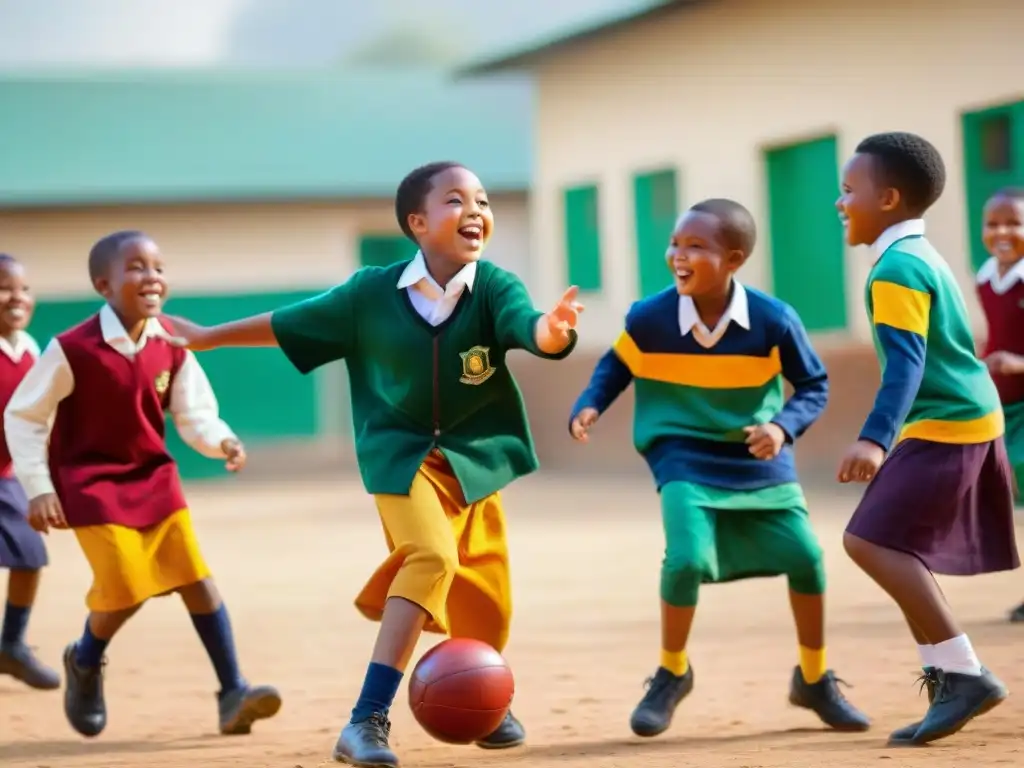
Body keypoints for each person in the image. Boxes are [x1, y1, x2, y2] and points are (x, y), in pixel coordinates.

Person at [167, 162, 583, 768]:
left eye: (484, 200)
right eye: (455, 200)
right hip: (401, 457)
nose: (476, 210)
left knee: (487, 603)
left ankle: (485, 699)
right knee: (431, 558)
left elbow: (531, 327)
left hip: (475, 463)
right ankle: (366, 720)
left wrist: (551, 332)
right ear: (418, 223)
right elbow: (289, 323)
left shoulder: (494, 286)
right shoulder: (369, 293)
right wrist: (209, 336)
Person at [569, 198, 869, 738]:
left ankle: (815, 678)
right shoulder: (650, 317)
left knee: (806, 557)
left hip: (757, 455)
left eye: (694, 247)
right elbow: (617, 363)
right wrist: (592, 401)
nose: (677, 256)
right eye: (674, 244)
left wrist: (780, 427)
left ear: (733, 259)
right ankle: (672, 672)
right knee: (685, 561)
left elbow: (813, 385)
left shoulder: (774, 320)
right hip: (680, 449)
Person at [4, 231, 281, 738]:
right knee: (126, 587)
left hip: (155, 479)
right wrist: (39, 486)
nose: (152, 276)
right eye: (136, 267)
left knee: (196, 580)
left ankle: (232, 691)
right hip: (91, 486)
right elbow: (24, 417)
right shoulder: (71, 348)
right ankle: (85, 661)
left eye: (158, 266)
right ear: (103, 285)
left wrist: (222, 441)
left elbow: (193, 411)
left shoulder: (172, 339)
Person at [836, 132, 1019, 746]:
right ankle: (948, 675)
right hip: (961, 418)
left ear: (887, 198)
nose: (841, 203)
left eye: (848, 190)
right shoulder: (919, 253)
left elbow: (906, 366)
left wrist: (872, 440)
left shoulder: (897, 268)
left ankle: (963, 672)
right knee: (890, 543)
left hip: (949, 424)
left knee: (868, 541)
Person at [0, 253, 60, 691]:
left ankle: (11, 646)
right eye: (4, 288)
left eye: (23, 288)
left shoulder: (31, 349)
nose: (16, 297)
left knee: (30, 554)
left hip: (7, 476)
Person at [973, 188, 1024, 622]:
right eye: (993, 223)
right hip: (1003, 408)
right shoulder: (986, 276)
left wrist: (1017, 363)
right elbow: (996, 335)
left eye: (1014, 223)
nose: (1003, 232)